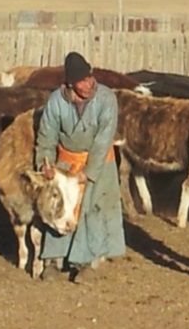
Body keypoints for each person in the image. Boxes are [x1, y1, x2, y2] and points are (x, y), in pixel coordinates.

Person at [35, 52, 125, 282]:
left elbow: (104, 139)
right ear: (70, 84)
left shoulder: (106, 99)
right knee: (61, 206)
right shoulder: (56, 101)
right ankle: (53, 261)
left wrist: (89, 172)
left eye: (89, 78)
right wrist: (45, 164)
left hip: (99, 163)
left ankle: (87, 264)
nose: (88, 84)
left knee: (91, 210)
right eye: (82, 81)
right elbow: (46, 136)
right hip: (66, 162)